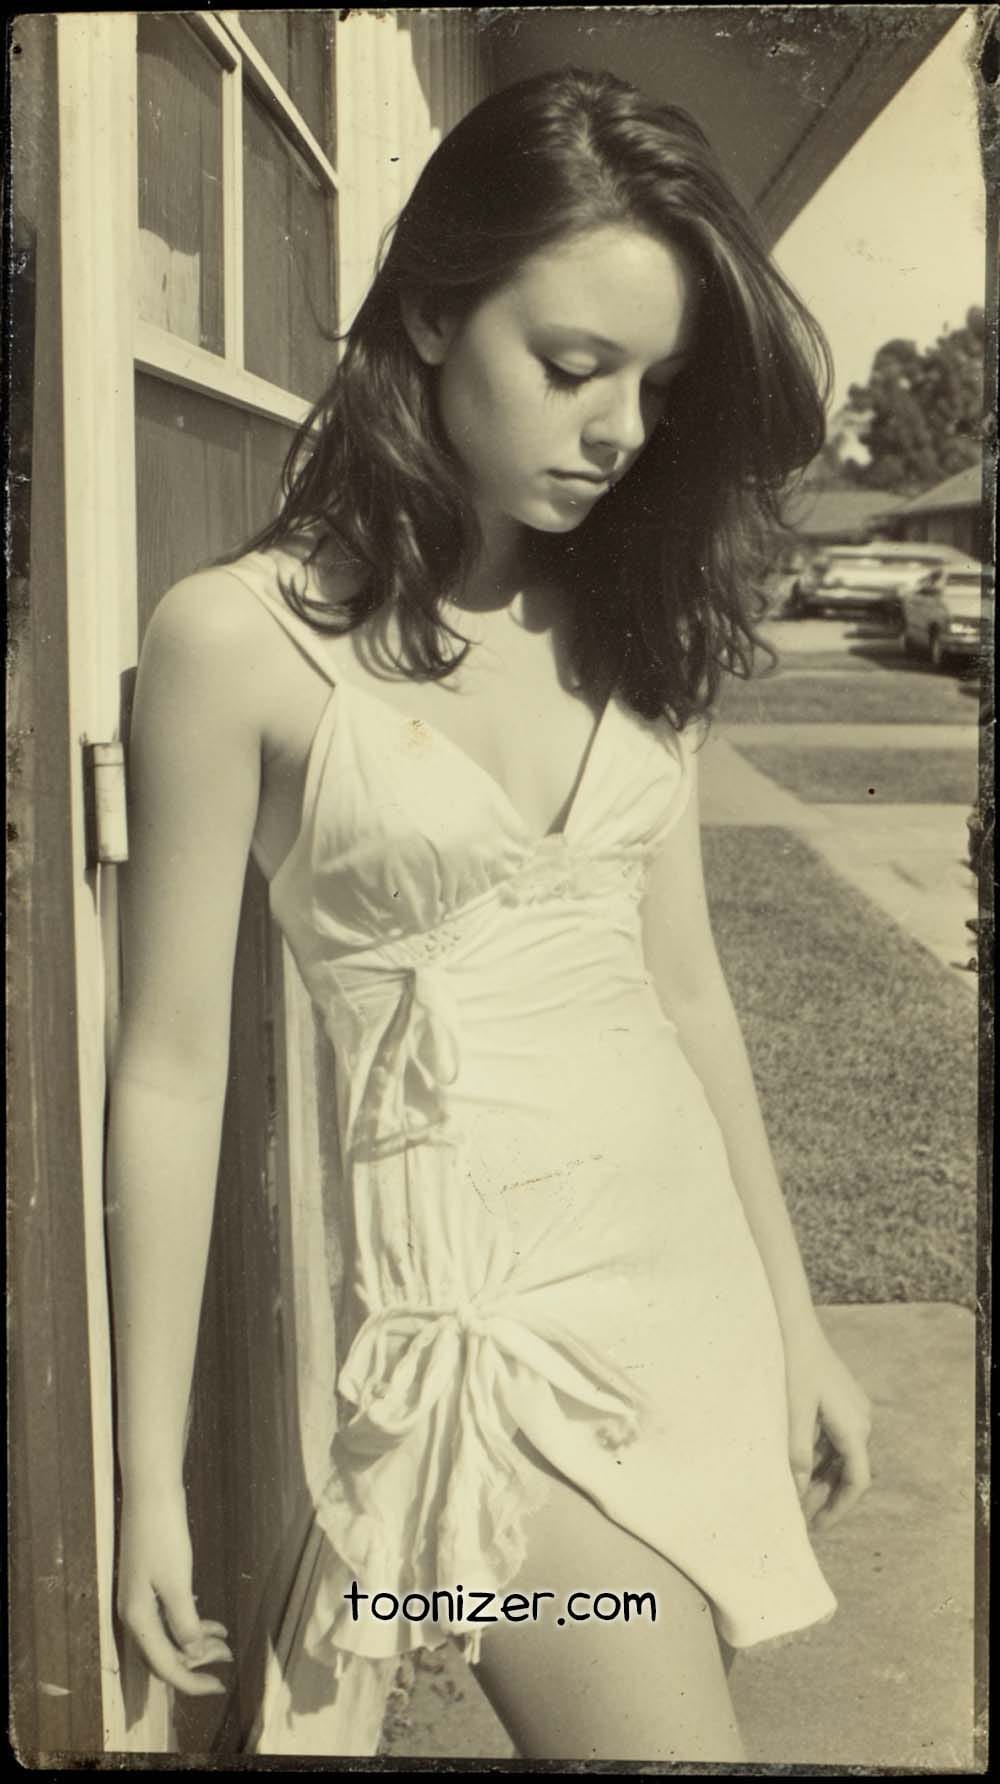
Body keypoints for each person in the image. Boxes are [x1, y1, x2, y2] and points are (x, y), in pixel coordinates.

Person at [107, 66, 874, 1763]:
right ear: (439, 309)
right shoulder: (237, 642)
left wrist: (795, 1321)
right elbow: (164, 1073)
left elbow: (685, 1000)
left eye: (655, 385)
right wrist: (144, 1477)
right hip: (490, 1373)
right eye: (574, 365)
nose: (616, 429)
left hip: (691, 1314)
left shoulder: (623, 622)